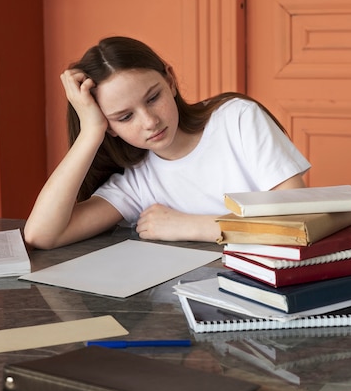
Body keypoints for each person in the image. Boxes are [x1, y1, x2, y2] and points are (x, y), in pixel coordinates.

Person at [24, 36, 310, 249]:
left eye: (153, 98)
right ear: (108, 127)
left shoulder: (237, 118)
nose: (149, 121)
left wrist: (190, 225)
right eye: (124, 117)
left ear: (170, 81)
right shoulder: (137, 181)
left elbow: (299, 220)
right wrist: (90, 132)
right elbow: (42, 234)